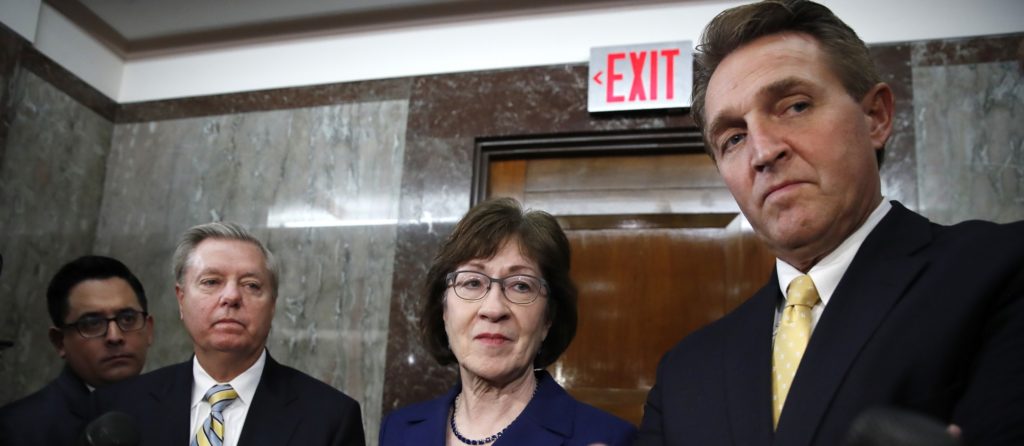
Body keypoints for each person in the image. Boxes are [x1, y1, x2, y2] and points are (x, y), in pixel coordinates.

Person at [636, 1, 1024, 445]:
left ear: (875, 116)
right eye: (734, 138)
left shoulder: (1001, 272)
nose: (763, 152)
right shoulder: (685, 371)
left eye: (795, 106)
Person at [379, 198, 637, 445]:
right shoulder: (398, 430)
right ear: (444, 310)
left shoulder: (608, 438)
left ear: (548, 318)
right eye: (472, 282)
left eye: (521, 286)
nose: (493, 309)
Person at [92, 222, 365, 446]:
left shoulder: (330, 418)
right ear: (181, 299)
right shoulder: (118, 407)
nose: (232, 296)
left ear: (272, 306)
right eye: (211, 282)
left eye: (251, 285)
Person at [0, 255, 154, 445]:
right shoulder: (16, 430)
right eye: (92, 323)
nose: (115, 336)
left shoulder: (181, 410)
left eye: (128, 319)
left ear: (148, 330)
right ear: (59, 342)